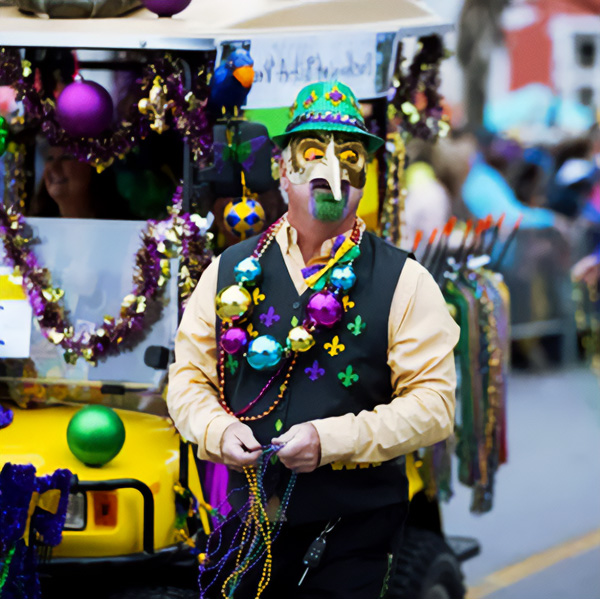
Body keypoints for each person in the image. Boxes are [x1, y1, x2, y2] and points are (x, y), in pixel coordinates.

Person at [167, 80, 459, 598]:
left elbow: (434, 405)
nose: (331, 170)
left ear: (365, 174)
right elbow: (188, 378)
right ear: (282, 169)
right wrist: (215, 430)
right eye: (311, 151)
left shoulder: (405, 281)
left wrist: (331, 440)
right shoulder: (230, 270)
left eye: (349, 154)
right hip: (246, 528)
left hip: (353, 533)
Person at [29, 144, 126, 219]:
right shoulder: (33, 232)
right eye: (49, 158)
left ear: (92, 166)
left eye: (66, 157)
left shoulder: (129, 229)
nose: (54, 167)